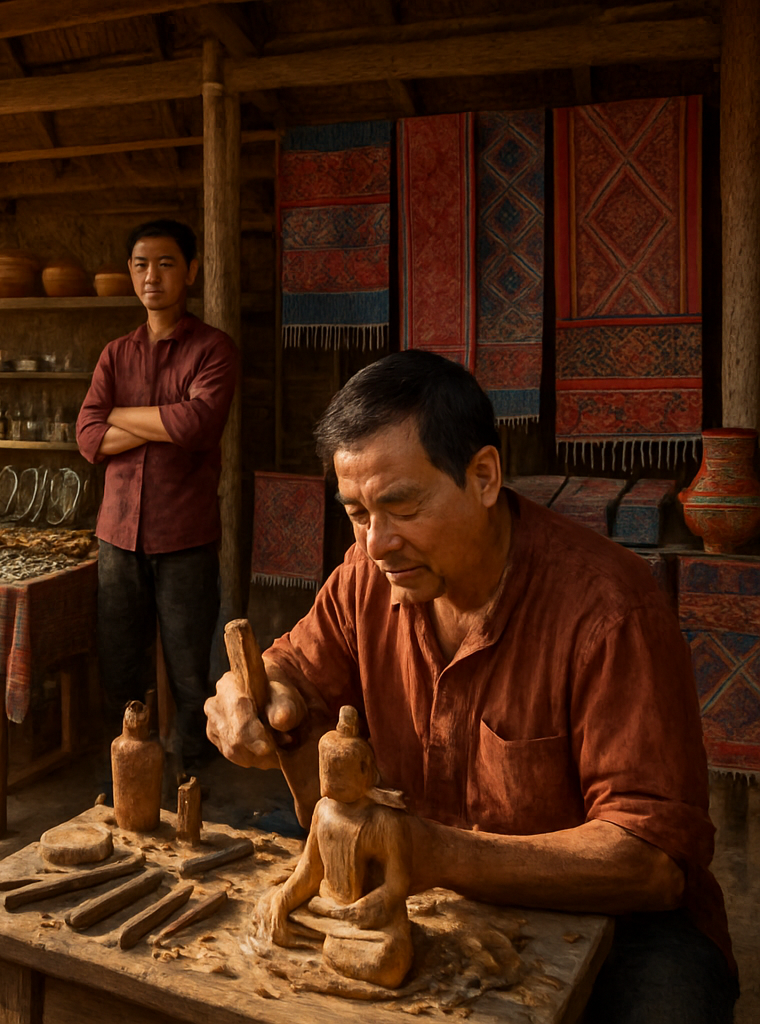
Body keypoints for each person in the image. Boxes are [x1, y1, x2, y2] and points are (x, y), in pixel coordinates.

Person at [204, 350, 736, 1023]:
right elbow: (289, 670)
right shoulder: (366, 579)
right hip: (432, 897)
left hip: (620, 922)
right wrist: (251, 693)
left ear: (484, 477)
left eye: (401, 505)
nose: (376, 543)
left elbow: (653, 862)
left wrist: (434, 852)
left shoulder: (608, 610)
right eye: (357, 513)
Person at [77, 219, 239, 775]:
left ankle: (190, 780)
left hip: (184, 534)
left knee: (190, 671)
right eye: (142, 265)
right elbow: (87, 437)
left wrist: (120, 416)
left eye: (166, 264)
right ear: (130, 272)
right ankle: (128, 772)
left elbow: (198, 425)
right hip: (117, 535)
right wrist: (160, 421)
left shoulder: (213, 349)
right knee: (121, 666)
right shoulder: (115, 354)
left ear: (190, 271)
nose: (152, 276)